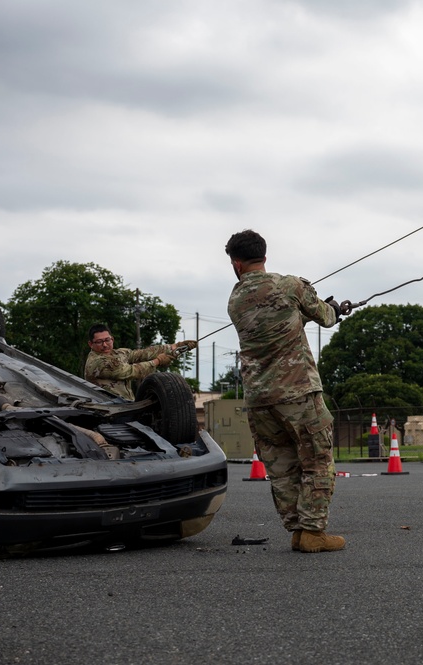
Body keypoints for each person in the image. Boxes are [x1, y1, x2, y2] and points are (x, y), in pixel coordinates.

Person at [225, 229, 346, 553]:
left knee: (282, 468)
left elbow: (278, 325)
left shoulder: (235, 300)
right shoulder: (290, 285)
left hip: (259, 400)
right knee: (317, 460)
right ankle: (313, 532)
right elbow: (326, 317)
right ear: (264, 256)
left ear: (236, 264)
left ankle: (298, 531)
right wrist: (334, 309)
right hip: (297, 392)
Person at [84, 324, 197, 400]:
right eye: (99, 342)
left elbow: (142, 354)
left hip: (125, 406)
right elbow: (130, 371)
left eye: (107, 340)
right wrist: (157, 361)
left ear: (112, 339)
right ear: (90, 344)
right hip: (106, 410)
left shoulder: (119, 353)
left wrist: (176, 346)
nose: (104, 345)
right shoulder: (97, 362)